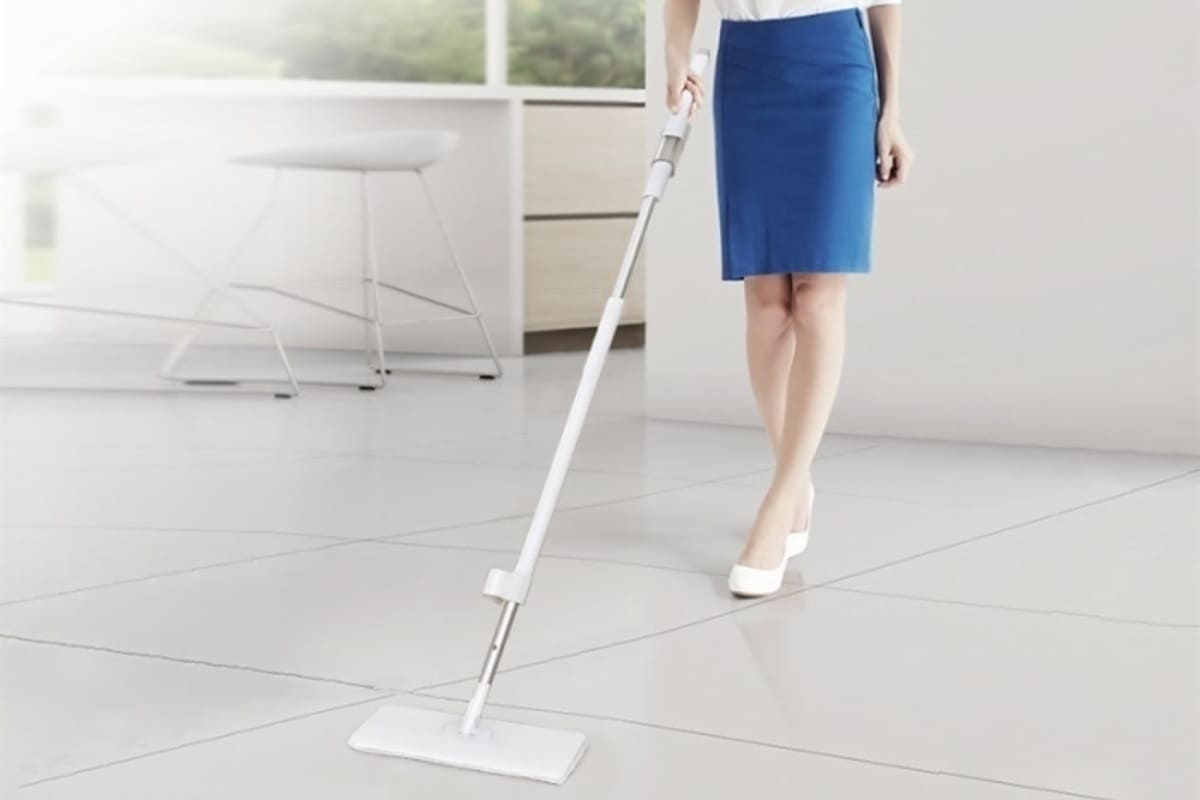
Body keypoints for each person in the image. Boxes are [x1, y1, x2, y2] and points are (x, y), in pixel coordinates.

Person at [664, 0, 915, 597]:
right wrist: (675, 58)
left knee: (816, 298)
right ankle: (794, 478)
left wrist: (892, 111)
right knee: (768, 304)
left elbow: (884, 4)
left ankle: (776, 506)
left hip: (836, 68)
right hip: (748, 69)